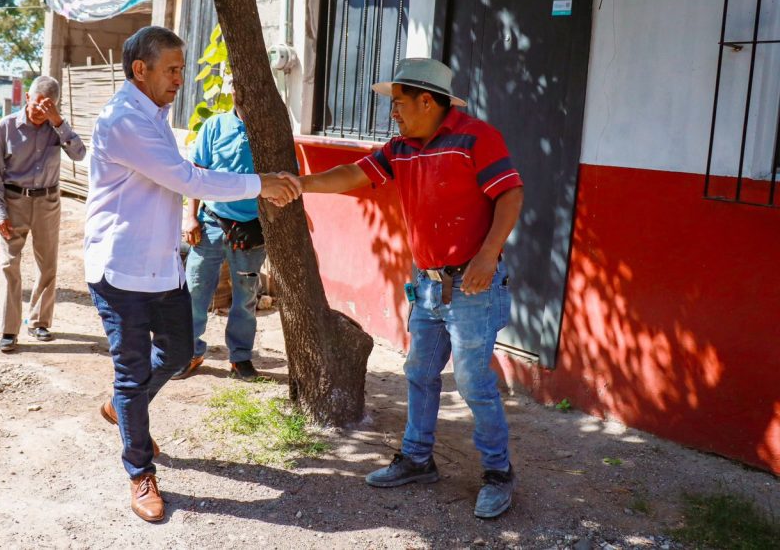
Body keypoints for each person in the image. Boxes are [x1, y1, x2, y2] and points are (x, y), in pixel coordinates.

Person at [84, 26, 300, 523]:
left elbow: (176, 177)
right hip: (121, 270)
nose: (181, 79)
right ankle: (140, 470)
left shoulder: (155, 115)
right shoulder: (123, 120)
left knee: (182, 352)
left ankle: (124, 406)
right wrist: (261, 183)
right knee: (132, 373)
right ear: (141, 70)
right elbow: (186, 177)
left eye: (182, 69)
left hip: (162, 266)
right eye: (173, 69)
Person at [297, 58, 524, 519]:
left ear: (427, 100)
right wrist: (301, 184)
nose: (393, 112)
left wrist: (487, 254)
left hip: (473, 286)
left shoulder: (476, 137)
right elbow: (352, 175)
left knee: (473, 381)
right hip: (428, 286)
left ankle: (499, 473)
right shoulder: (400, 147)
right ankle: (418, 459)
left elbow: (510, 194)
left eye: (398, 103)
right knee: (419, 371)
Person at [0, 76, 86, 353]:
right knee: (9, 264)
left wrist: (58, 123)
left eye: (47, 107)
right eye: (35, 105)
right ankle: (8, 330)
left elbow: (79, 154)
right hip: (14, 200)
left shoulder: (57, 128)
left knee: (48, 264)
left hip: (47, 203)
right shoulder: (6, 127)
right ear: (27, 98)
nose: (38, 112)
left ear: (53, 105)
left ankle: (39, 321)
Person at [174, 103, 265, 382]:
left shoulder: (269, 128)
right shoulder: (215, 126)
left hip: (251, 231)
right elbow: (196, 174)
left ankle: (240, 357)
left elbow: (288, 177)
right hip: (211, 224)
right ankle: (190, 352)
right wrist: (191, 217)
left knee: (246, 297)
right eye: (235, 85)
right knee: (194, 290)